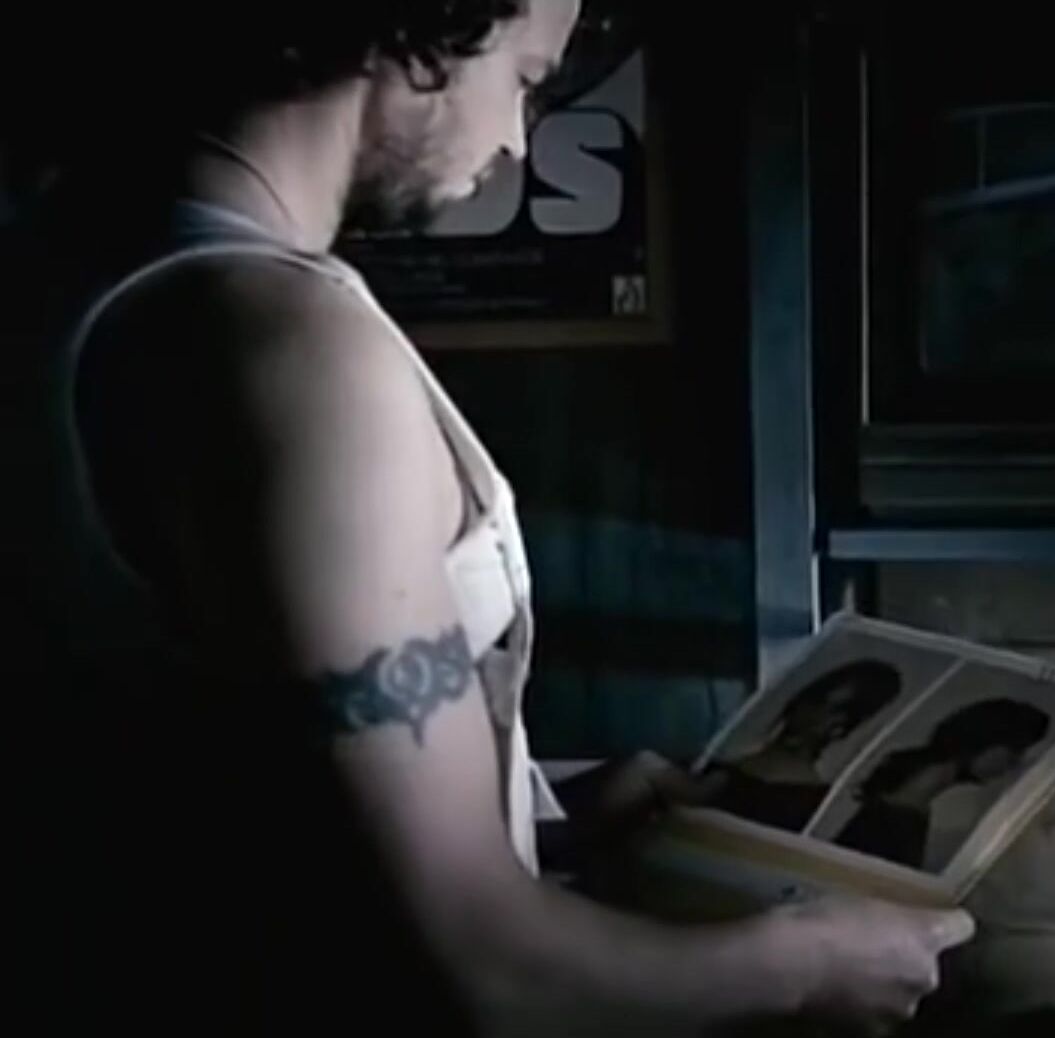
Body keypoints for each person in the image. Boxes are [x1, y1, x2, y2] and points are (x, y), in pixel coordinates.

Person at [10, 2, 970, 1033]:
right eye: (524, 78)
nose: (517, 139)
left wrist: (547, 812)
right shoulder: (289, 350)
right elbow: (484, 973)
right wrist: (807, 965)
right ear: (415, 32)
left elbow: (226, 797)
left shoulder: (66, 268)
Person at [837, 699, 1052, 870]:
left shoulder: (909, 799)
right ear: (987, 742)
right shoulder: (904, 809)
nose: (1012, 764)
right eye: (1014, 752)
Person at [710, 659, 905, 832]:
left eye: (836, 713)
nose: (811, 714)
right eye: (816, 701)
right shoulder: (726, 762)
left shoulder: (807, 803)